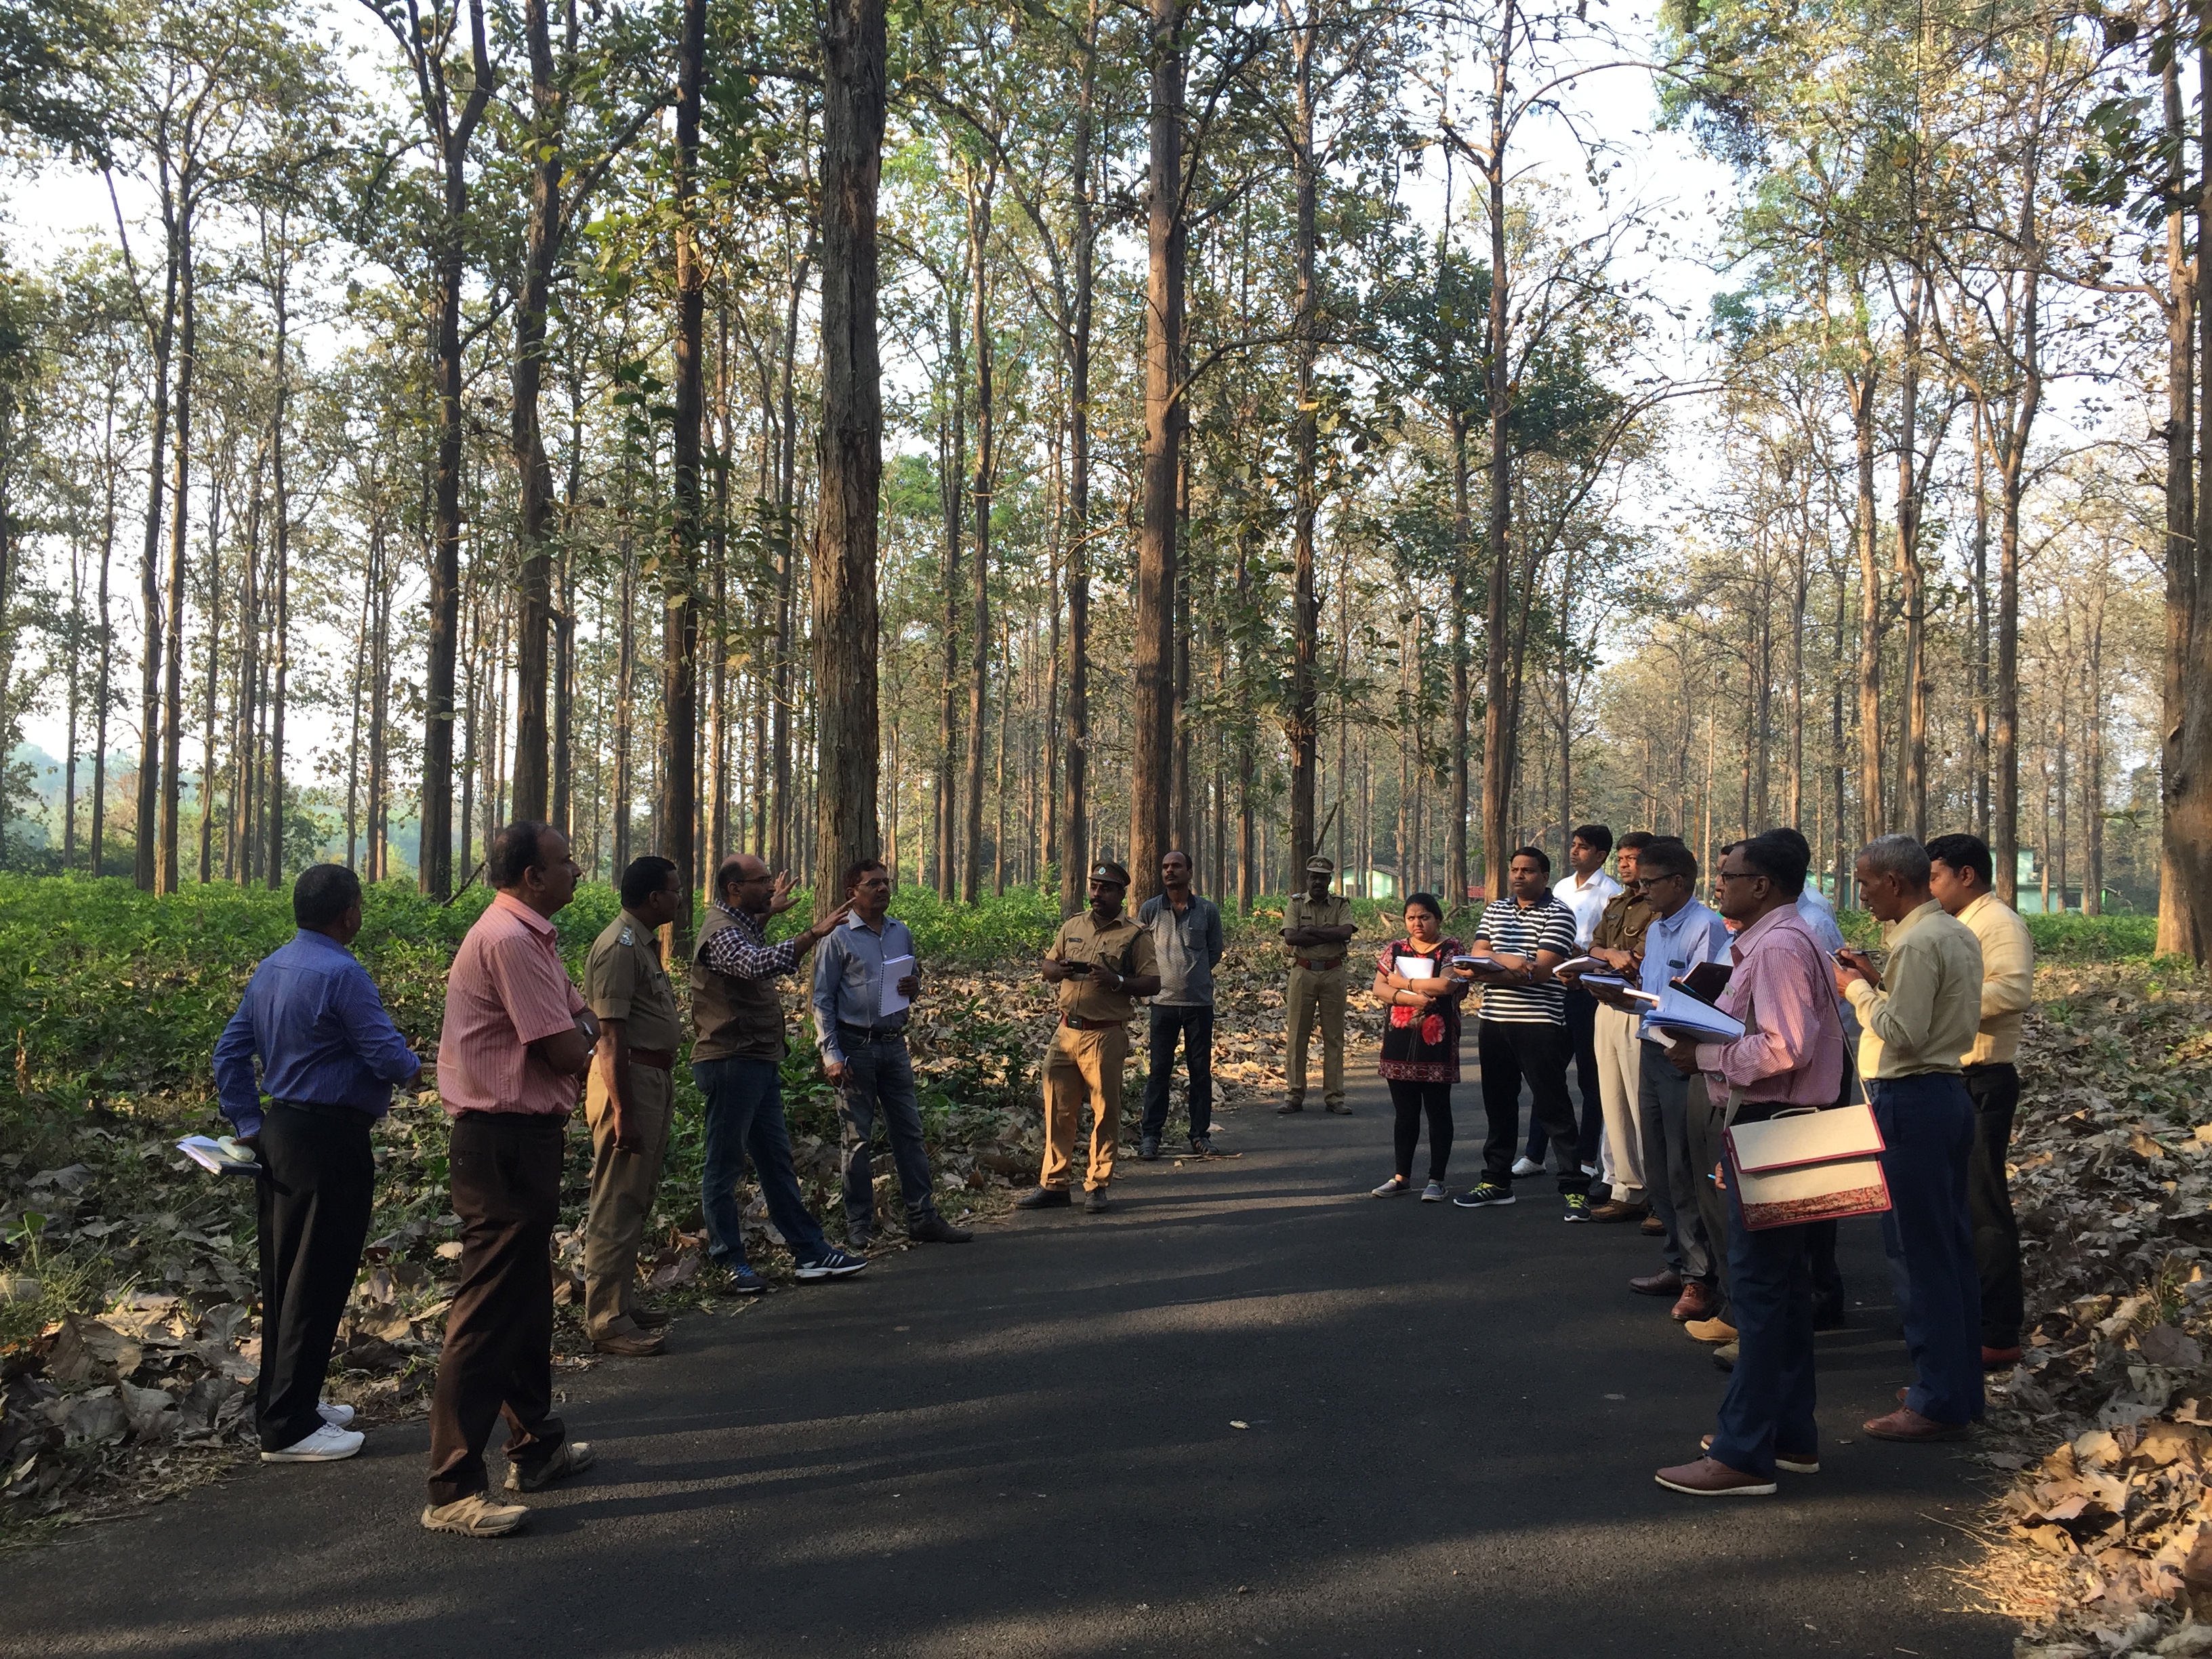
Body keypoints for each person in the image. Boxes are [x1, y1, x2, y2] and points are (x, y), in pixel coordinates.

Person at [1653, 832, 1847, 1497]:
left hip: (1776, 1127)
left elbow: (1786, 1047)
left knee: (1762, 1292)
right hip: (1782, 1126)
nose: (1719, 886)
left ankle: (1744, 1452)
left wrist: (1705, 1056)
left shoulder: (1781, 946)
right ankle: (1789, 1436)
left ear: (1761, 885)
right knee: (1783, 1292)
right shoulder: (1776, 941)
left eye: (1729, 876)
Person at [424, 822, 599, 1538]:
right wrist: (586, 1034)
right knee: (490, 1310)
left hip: (523, 1139)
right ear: (532, 876)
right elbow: (567, 1048)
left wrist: (583, 1028)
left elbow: (580, 1017)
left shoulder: (532, 938)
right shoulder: (509, 941)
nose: (575, 870)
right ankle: (452, 1487)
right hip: (501, 1143)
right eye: (565, 861)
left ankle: (536, 1447)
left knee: (525, 1297)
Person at [213, 863, 420, 1467]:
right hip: (329, 1139)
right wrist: (415, 1067)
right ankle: (288, 1428)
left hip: (281, 1132)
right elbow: (385, 1055)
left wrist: (248, 1123)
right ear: (349, 914)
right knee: (317, 1275)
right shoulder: (343, 974)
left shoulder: (273, 966)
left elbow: (229, 1052)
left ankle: (288, 1401)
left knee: (286, 1275)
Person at [1835, 833, 1986, 1442]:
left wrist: (1854, 990)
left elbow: (1902, 1031)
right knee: (1948, 1250)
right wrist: (1874, 981)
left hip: (1913, 1101)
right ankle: (1955, 1384)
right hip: (1943, 1095)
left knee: (1917, 1255)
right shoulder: (1952, 932)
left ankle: (1938, 1400)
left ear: (1895, 882)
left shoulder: (1920, 941)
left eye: (1866, 884)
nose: (1863, 895)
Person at [693, 854, 865, 1288]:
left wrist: (769, 913)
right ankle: (729, 1262)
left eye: (770, 880)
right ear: (734, 889)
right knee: (724, 1166)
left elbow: (749, 944)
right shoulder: (720, 931)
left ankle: (810, 1252)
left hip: (757, 1059)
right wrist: (813, 933)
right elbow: (753, 964)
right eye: (762, 881)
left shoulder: (738, 924)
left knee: (776, 1162)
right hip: (731, 1062)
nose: (771, 887)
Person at [1591, 836, 1731, 1320]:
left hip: (1682, 1056)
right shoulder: (1657, 928)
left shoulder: (1705, 927)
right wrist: (1622, 995)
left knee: (1684, 1167)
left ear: (1680, 881)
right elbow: (1655, 993)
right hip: (1651, 1047)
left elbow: (1704, 1000)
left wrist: (1650, 1006)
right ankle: (1678, 1260)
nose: (1643, 889)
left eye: (1651, 882)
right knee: (1658, 1166)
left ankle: (1700, 1278)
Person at [811, 857, 973, 1250]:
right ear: (852, 893)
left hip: (893, 1045)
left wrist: (914, 987)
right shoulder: (838, 937)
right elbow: (822, 998)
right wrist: (831, 1054)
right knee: (857, 1139)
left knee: (909, 1133)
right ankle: (859, 1222)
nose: (883, 888)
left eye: (886, 881)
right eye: (873, 883)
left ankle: (923, 1216)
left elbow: (911, 980)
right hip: (854, 1046)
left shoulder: (901, 932)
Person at [1926, 832, 2034, 1370]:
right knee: (1956, 1203)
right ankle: (1967, 1315)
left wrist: (1937, 1002)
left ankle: (1997, 1330)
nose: (1928, 888)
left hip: (1983, 1078)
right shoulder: (1957, 923)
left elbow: (2012, 991)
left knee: (1982, 1202)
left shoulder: (1998, 923)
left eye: (1935, 877)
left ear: (1966, 875)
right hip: (1953, 1077)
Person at [578, 856, 684, 1358]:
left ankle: (621, 1301)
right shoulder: (618, 947)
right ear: (654, 898)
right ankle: (605, 1321)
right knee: (617, 1198)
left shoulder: (642, 943)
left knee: (636, 1196)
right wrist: (623, 1111)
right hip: (627, 1080)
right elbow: (610, 1035)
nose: (681, 898)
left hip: (649, 1077)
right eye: (675, 890)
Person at [1458, 848, 1588, 1218]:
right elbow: (1476, 957)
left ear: (1545, 876)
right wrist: (1513, 961)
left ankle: (1574, 1188)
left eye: (1527, 871)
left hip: (1540, 1023)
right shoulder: (1495, 910)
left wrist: (1493, 965)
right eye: (1514, 869)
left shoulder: (1559, 914)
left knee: (1553, 1105)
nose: (1518, 876)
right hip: (1494, 1020)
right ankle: (1496, 1181)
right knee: (1498, 1103)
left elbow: (1541, 972)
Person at [1026, 861, 1160, 1214]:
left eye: (1106, 888)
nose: (1097, 894)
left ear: (1121, 893)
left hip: (1105, 1035)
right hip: (1066, 1032)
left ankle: (1097, 1185)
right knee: (1058, 1110)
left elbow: (1153, 983)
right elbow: (1048, 966)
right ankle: (1054, 1184)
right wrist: (1057, 970)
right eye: (1094, 887)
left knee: (1105, 1112)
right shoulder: (1073, 925)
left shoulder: (1136, 935)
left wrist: (1118, 981)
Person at [1513, 825, 1618, 1181]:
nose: (1574, 852)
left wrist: (1581, 952)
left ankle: (1586, 1158)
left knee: (1590, 1079)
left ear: (1601, 855)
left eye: (1583, 847)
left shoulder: (1611, 894)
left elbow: (1607, 948)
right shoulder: (1559, 888)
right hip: (1553, 990)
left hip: (1586, 994)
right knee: (1547, 1076)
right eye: (1573, 845)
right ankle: (1535, 1154)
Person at [1571, 831, 1656, 1223]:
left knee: (1641, 1103)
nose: (1624, 865)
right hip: (1605, 1002)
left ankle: (1658, 1193)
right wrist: (1608, 953)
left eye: (1631, 858)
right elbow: (1594, 945)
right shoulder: (1617, 903)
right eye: (1620, 859)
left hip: (1638, 1006)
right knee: (1613, 1100)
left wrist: (1615, 956)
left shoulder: (1657, 906)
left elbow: (1640, 957)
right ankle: (1627, 1187)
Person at [1370, 893, 1469, 1200]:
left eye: (1424, 917)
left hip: (1436, 1041)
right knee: (1405, 1112)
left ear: (1438, 919)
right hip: (1399, 1040)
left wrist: (1402, 983)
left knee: (1438, 1110)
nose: (1418, 923)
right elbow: (1378, 988)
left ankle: (1437, 1179)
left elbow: (1446, 985)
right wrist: (1413, 998)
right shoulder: (1396, 949)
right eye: (1411, 918)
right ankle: (1401, 1177)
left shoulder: (1451, 949)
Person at [1136, 850, 1225, 1159]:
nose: (1169, 871)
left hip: (1199, 1004)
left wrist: (1193, 976)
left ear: (1189, 871)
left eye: (1176, 866)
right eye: (1165, 867)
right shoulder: (1150, 909)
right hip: (1162, 1003)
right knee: (1159, 1071)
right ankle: (1151, 1136)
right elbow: (1140, 951)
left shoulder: (1207, 911)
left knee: (1200, 1071)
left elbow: (1214, 952)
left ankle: (1200, 1135)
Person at [1279, 855, 1357, 1115]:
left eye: (1323, 878)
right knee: (1296, 1035)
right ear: (1308, 879)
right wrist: (1329, 934)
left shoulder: (1340, 904)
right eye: (1314, 877)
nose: (1318, 882)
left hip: (1333, 973)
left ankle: (1334, 1097)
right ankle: (1294, 1095)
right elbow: (1291, 937)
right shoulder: (1295, 904)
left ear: (1329, 880)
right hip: (1303, 973)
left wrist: (1311, 932)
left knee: (1334, 1037)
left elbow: (1346, 932)